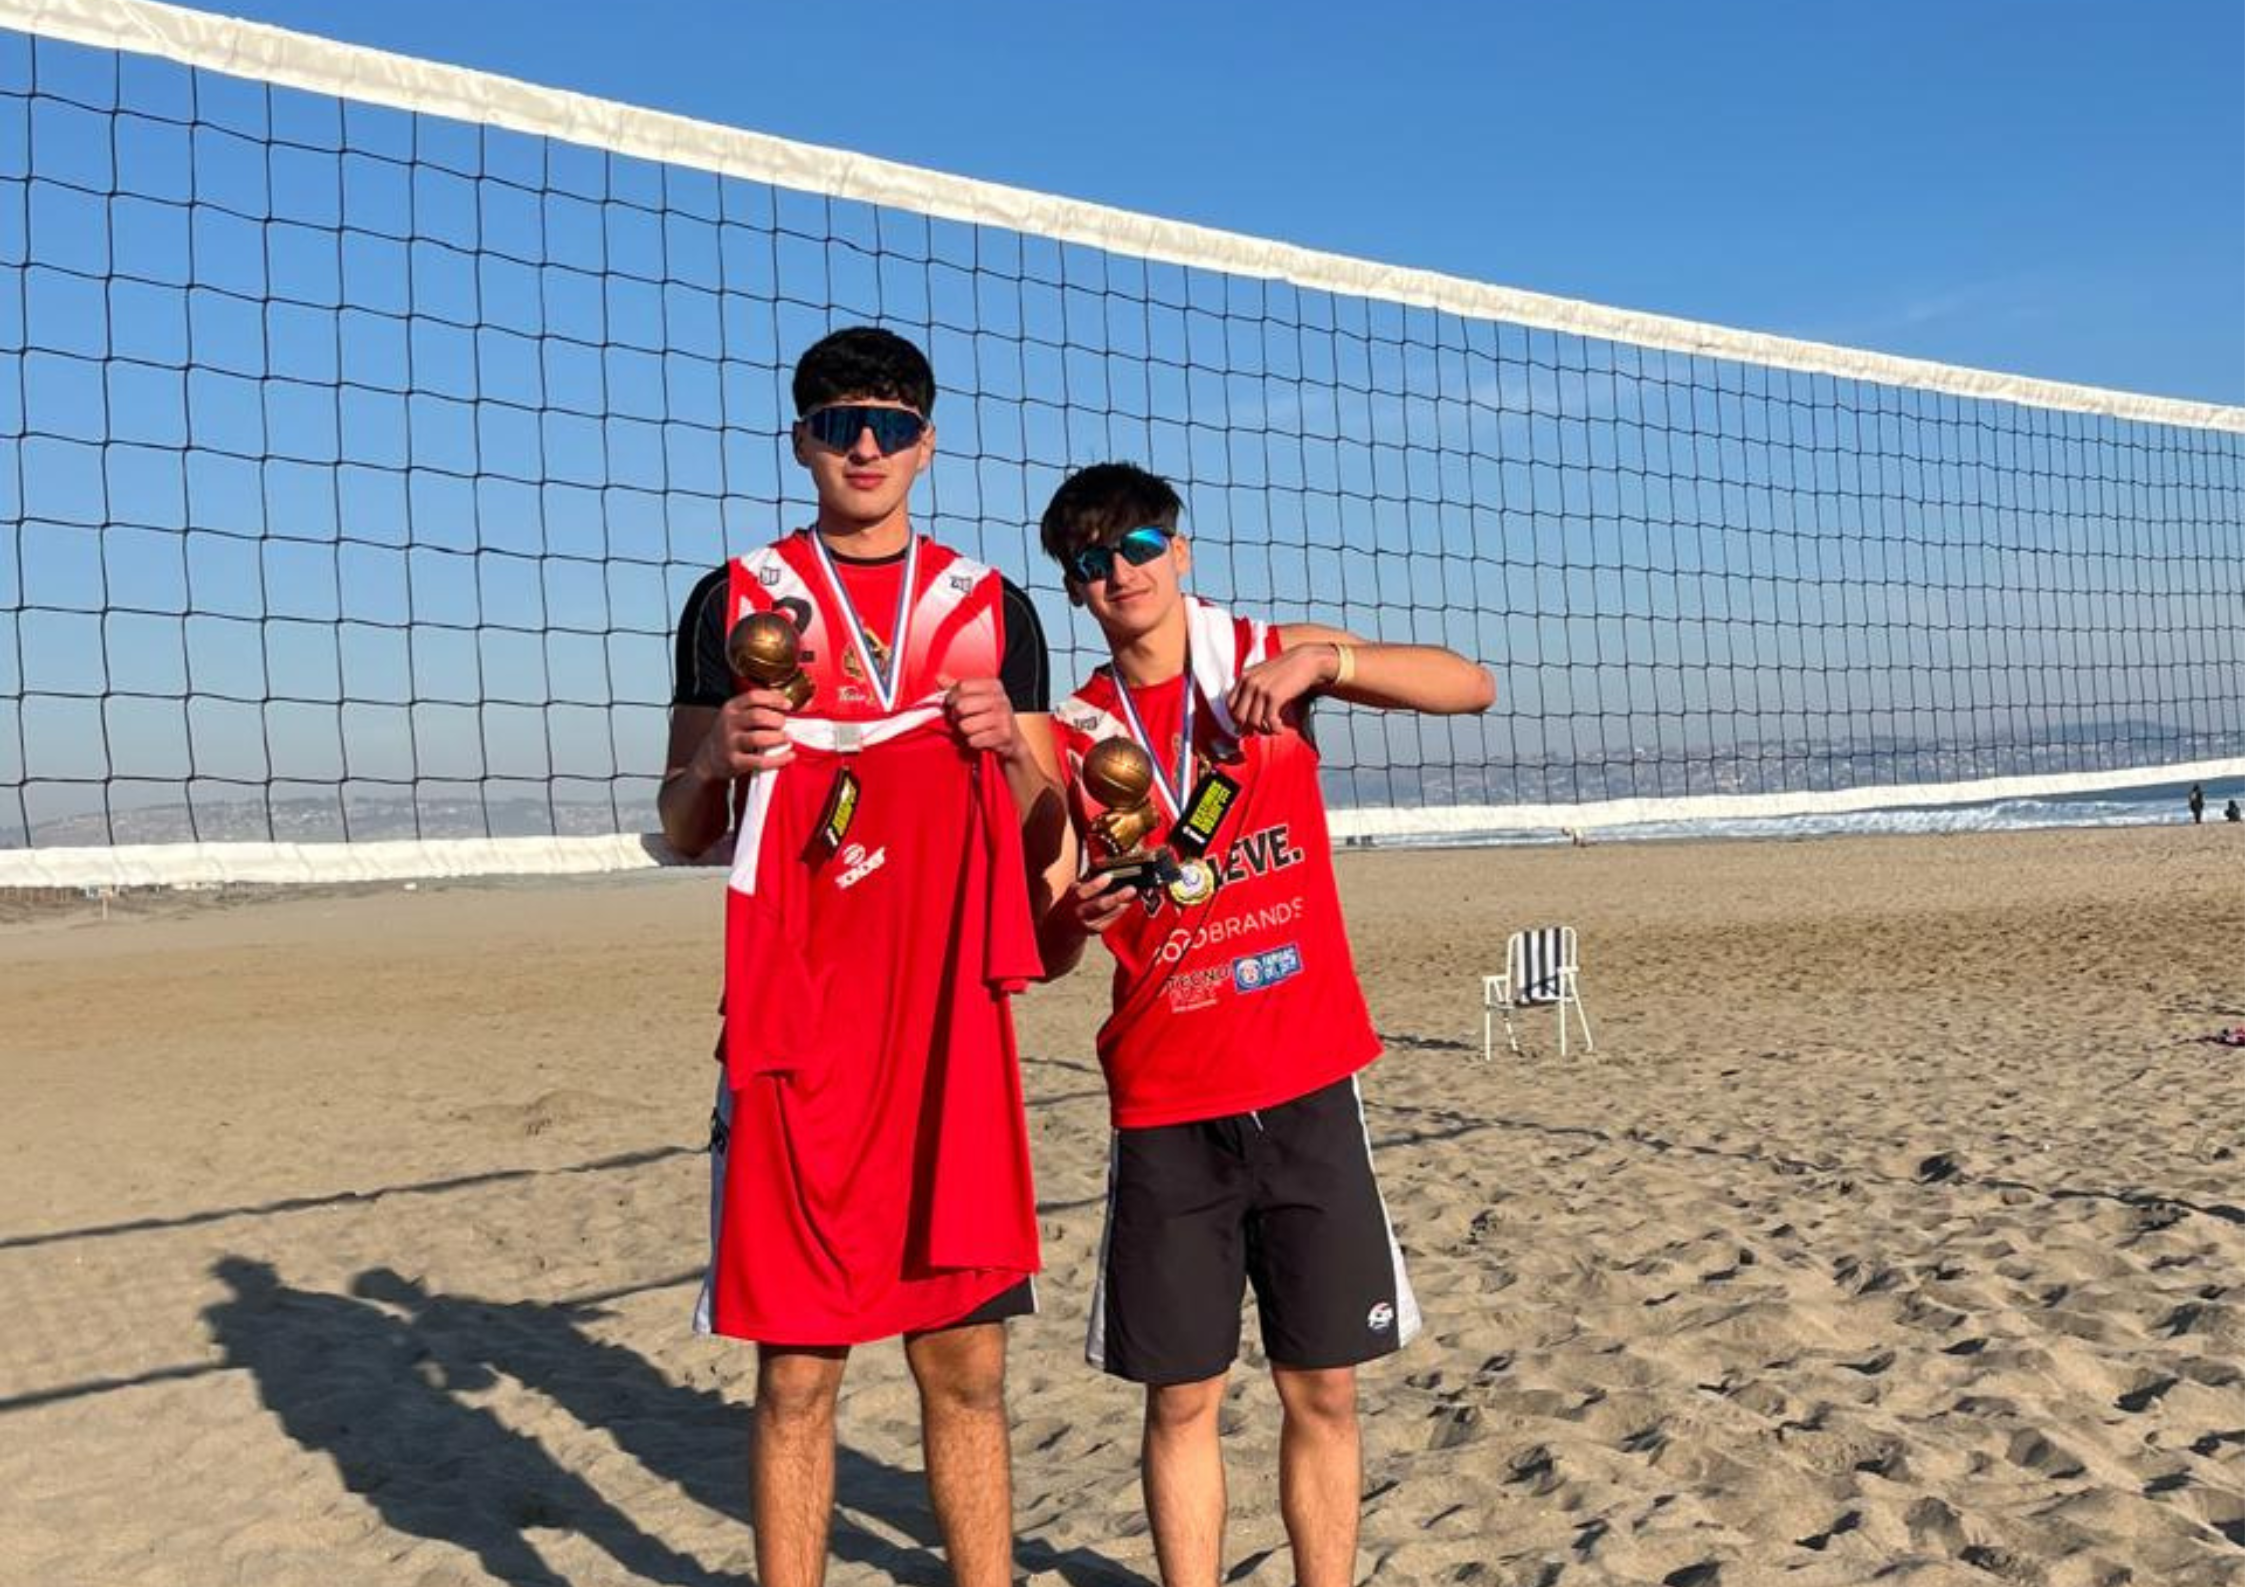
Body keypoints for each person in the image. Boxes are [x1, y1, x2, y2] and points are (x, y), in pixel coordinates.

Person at [1032, 463, 1495, 1587]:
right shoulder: (1068, 734)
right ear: (1076, 592)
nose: (1120, 574)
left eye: (1137, 546)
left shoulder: (1263, 658)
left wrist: (1323, 659)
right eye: (1090, 565)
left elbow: (1467, 685)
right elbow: (1048, 948)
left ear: (1179, 551)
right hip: (1166, 1093)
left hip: (1304, 1078)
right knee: (1182, 1396)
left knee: (1321, 1386)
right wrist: (1079, 914)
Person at [658, 326, 1069, 1587]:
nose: (867, 446)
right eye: (841, 423)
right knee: (795, 1377)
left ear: (929, 442)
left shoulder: (989, 608)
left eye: (891, 423)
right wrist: (720, 760)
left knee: (968, 1369)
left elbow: (1053, 839)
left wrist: (1011, 748)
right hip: (795, 1038)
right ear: (803, 441)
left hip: (947, 1034)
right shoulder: (736, 602)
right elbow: (680, 830)